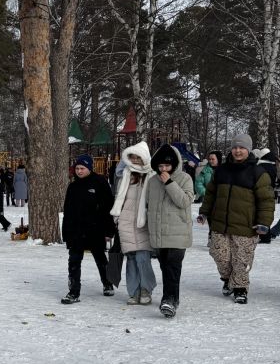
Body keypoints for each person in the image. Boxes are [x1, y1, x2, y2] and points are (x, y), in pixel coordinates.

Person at [198, 133, 274, 303]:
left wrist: (264, 223)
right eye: (235, 147)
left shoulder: (258, 172)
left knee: (241, 259)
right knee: (220, 255)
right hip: (220, 223)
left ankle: (240, 288)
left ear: (248, 150)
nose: (238, 151)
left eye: (241, 148)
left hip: (245, 226)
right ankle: (227, 280)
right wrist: (204, 212)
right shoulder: (222, 170)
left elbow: (266, 201)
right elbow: (210, 194)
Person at [145, 144, 194, 318]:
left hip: (178, 232)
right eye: (160, 166)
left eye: (167, 166)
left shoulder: (185, 178)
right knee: (166, 268)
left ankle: (169, 300)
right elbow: (148, 206)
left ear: (174, 164)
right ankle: (173, 299)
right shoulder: (152, 181)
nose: (163, 169)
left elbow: (185, 201)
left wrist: (169, 183)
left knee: (173, 267)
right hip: (159, 233)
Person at [60, 153, 115, 304]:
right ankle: (73, 292)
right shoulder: (73, 186)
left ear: (89, 168)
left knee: (100, 259)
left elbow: (109, 208)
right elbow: (68, 211)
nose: (79, 171)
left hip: (96, 230)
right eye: (77, 168)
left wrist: (109, 231)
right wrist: (66, 233)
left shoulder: (100, 183)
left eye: (82, 168)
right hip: (77, 231)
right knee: (74, 261)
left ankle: (107, 283)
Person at [110, 141, 156, 305]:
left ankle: (146, 289)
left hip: (143, 223)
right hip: (126, 223)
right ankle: (133, 291)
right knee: (130, 260)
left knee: (143, 258)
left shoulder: (152, 175)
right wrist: (117, 217)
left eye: (138, 157)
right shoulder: (125, 175)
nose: (135, 160)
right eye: (133, 157)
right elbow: (118, 197)